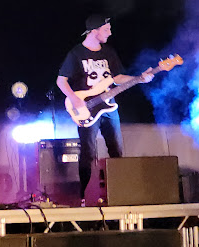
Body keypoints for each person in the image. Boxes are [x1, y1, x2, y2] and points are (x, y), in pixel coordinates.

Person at [56, 15, 153, 206]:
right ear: (95, 31)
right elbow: (61, 81)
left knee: (116, 150)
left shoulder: (109, 52)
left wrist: (139, 78)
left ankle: (120, 193)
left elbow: (117, 78)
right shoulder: (76, 53)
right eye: (107, 29)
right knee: (88, 152)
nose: (110, 32)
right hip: (87, 108)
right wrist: (76, 99)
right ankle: (83, 196)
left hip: (109, 106)